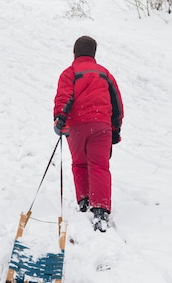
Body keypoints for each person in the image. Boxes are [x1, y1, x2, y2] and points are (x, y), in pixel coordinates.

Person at [53, 35, 123, 232]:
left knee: (80, 163)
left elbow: (63, 97)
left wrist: (60, 118)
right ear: (94, 54)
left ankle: (84, 201)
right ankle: (100, 209)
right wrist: (115, 130)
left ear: (74, 53)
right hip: (101, 126)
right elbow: (117, 104)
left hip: (77, 127)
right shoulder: (105, 74)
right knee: (100, 166)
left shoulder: (69, 73)